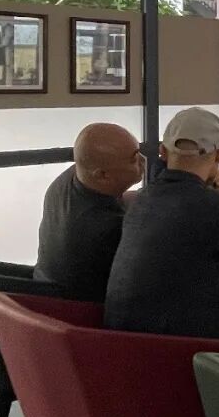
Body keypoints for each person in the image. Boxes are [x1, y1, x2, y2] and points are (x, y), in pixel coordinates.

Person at [104, 107, 219, 341]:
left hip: (124, 342)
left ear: (163, 152)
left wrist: (212, 193)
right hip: (189, 347)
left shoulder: (141, 199)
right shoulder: (217, 206)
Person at [34, 124, 145, 302]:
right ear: (103, 175)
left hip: (44, 289)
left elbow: (119, 200)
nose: (143, 160)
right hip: (82, 310)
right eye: (134, 159)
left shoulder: (69, 180)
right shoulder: (106, 230)